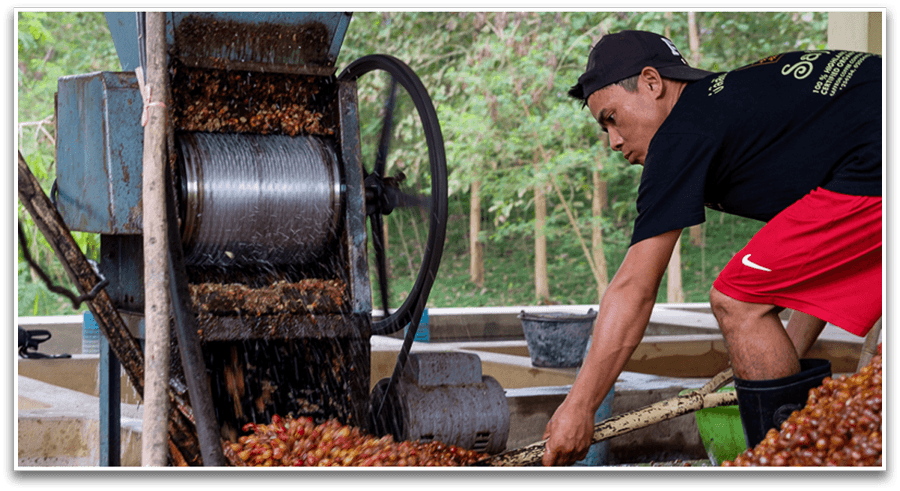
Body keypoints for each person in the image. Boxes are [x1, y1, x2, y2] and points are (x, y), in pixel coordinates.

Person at [541, 30, 882, 466]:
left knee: (736, 298)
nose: (613, 142)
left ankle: (783, 464)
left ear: (651, 82)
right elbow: (812, 269)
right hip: (872, 153)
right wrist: (776, 362)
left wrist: (580, 406)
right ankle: (799, 451)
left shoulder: (681, 131)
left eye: (611, 118)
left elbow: (634, 288)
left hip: (879, 156)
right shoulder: (739, 107)